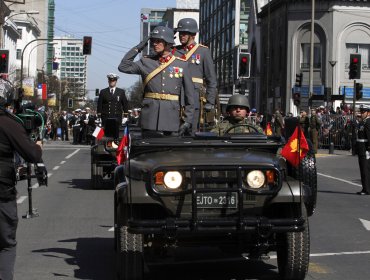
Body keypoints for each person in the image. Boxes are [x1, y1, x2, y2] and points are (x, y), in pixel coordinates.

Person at [118, 26, 194, 136]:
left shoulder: (181, 64)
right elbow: (123, 66)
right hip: (149, 117)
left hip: (171, 118)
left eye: (158, 41)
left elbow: (189, 96)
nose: (154, 44)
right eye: (153, 41)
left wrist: (188, 120)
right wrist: (139, 46)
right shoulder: (145, 62)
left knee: (170, 152)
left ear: (168, 43)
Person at [0, 91, 43, 280]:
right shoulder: (9, 123)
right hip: (2, 193)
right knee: (6, 243)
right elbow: (32, 155)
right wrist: (39, 144)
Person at [174, 18, 217, 133]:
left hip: (195, 97)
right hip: (176, 96)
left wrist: (210, 102)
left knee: (192, 132)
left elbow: (211, 79)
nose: (181, 36)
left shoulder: (203, 51)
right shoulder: (174, 51)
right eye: (179, 33)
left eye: (184, 33)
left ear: (193, 34)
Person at [356, 105, 370, 195]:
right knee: (363, 169)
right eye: (361, 112)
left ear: (368, 112)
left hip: (365, 149)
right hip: (361, 148)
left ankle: (367, 189)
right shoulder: (362, 122)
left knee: (366, 170)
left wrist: (368, 149)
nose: (361, 114)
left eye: (363, 112)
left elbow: (369, 136)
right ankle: (365, 188)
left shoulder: (368, 122)